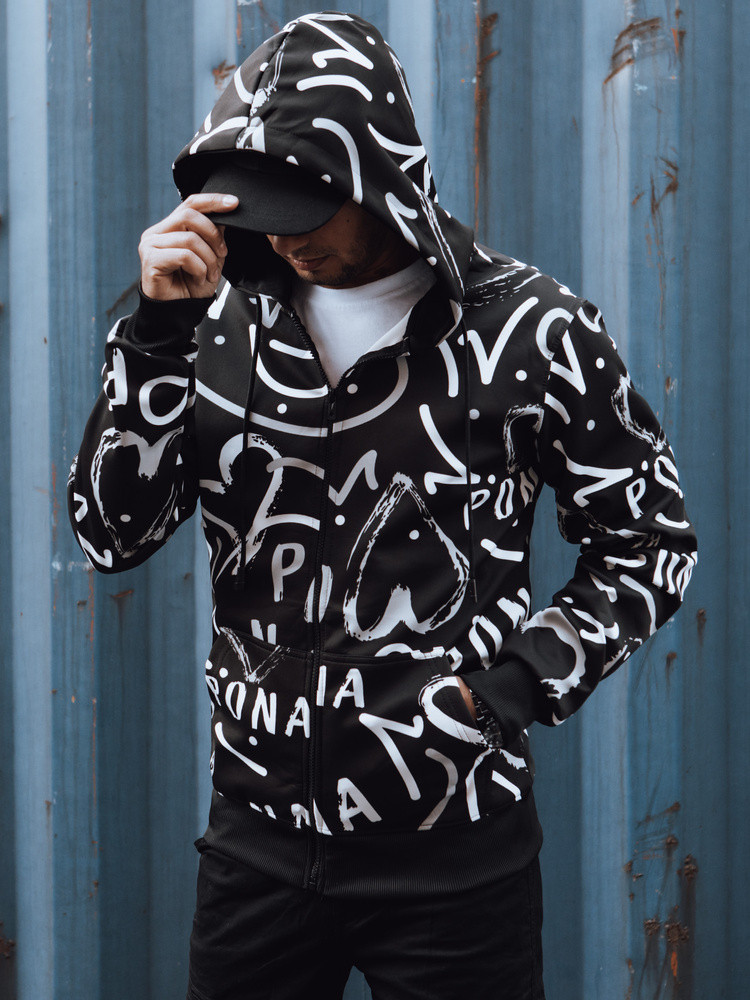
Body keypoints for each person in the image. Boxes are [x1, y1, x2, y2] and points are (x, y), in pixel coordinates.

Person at [68, 11, 697, 1000]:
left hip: (456, 862)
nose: (285, 237)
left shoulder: (533, 329)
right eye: (263, 211)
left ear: (380, 178)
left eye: (307, 209)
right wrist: (152, 339)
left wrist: (505, 693)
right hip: (257, 850)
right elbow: (112, 534)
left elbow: (648, 544)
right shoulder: (208, 322)